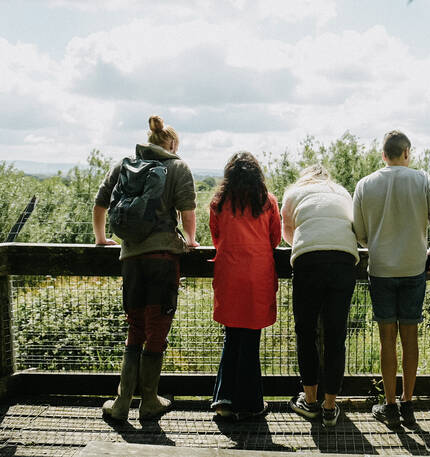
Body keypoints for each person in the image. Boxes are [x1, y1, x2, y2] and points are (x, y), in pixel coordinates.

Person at [94, 115, 198, 421]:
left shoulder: (123, 165)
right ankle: (149, 400)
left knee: (135, 326)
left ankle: (122, 402)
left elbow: (100, 204)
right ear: (172, 144)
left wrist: (102, 239)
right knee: (157, 328)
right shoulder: (177, 167)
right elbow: (187, 211)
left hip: (130, 258)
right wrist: (191, 241)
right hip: (163, 260)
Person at [353, 130, 430, 427]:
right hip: (413, 269)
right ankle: (409, 404)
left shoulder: (365, 184)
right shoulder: (423, 180)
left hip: (381, 269)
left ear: (383, 155)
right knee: (410, 338)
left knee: (387, 340)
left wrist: (377, 242)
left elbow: (359, 233)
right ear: (407, 152)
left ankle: (390, 405)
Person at [281, 164, 359, 428]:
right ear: (327, 178)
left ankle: (311, 401)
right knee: (336, 336)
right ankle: (330, 406)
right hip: (343, 260)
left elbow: (288, 232)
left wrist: (305, 246)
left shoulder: (294, 193)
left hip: (308, 261)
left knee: (305, 332)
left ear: (305, 177)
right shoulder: (342, 192)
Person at [209, 151, 281, 421]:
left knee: (232, 336)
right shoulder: (267, 201)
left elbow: (216, 237)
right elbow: (274, 238)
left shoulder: (219, 202)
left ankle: (224, 400)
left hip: (229, 273)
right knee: (251, 338)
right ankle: (250, 404)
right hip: (258, 274)